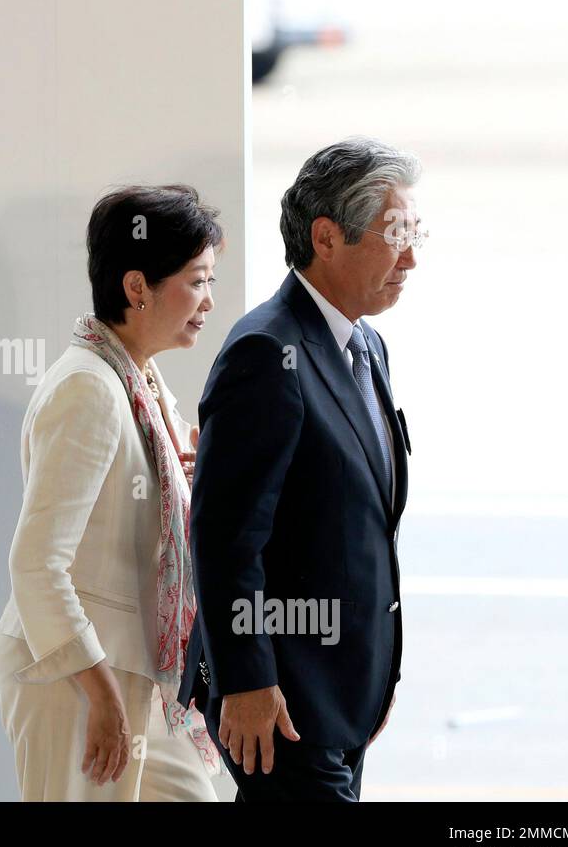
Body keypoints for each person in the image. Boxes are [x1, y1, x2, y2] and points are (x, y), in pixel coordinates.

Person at [178, 137, 423, 801]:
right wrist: (248, 680)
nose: (412, 256)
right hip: (281, 701)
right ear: (326, 237)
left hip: (341, 695)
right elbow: (226, 538)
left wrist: (374, 677)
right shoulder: (267, 352)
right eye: (396, 233)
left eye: (415, 232)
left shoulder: (366, 345)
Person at [0, 184, 224, 801]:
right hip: (76, 674)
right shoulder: (90, 389)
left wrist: (189, 484)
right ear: (136, 287)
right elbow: (36, 564)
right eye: (197, 281)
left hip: (141, 673)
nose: (208, 301)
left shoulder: (138, 381)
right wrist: (100, 692)